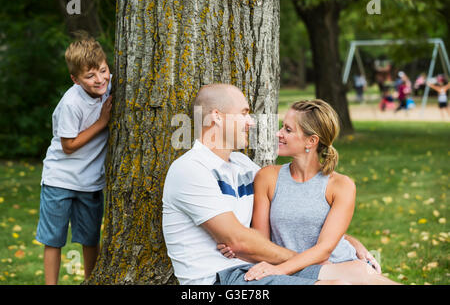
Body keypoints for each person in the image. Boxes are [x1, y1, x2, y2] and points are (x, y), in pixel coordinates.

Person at [162, 83, 396, 285]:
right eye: (244, 113)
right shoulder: (190, 169)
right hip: (221, 278)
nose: (251, 123)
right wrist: (305, 259)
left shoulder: (242, 165)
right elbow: (239, 241)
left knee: (359, 272)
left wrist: (346, 242)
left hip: (256, 265)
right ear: (217, 117)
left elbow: (289, 207)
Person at [218, 99, 399, 285]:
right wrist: (244, 251)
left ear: (311, 141)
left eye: (288, 130)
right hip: (298, 270)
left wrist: (277, 270)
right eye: (282, 127)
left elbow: (325, 249)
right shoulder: (268, 178)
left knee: (362, 274)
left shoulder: (341, 185)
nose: (278, 134)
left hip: (335, 264)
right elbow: (262, 242)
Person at [35, 34, 113, 284]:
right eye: (90, 76)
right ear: (75, 79)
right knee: (53, 238)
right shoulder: (71, 103)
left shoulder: (108, 89)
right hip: (60, 179)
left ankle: (91, 280)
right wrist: (102, 122)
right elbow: (68, 145)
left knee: (90, 238)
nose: (99, 79)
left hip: (90, 183)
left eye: (103, 70)